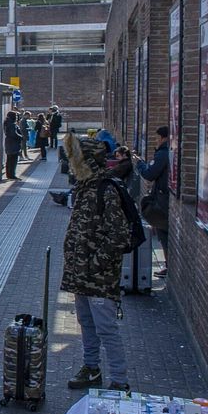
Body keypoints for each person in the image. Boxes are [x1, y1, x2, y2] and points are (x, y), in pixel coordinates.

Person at [62, 133, 132, 392]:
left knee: (106, 329)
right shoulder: (85, 187)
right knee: (87, 324)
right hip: (81, 274)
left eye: (75, 159)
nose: (71, 164)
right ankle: (91, 368)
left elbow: (119, 235)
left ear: (88, 161)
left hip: (98, 277)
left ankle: (120, 380)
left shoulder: (105, 188)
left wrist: (95, 264)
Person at [135, 126, 171, 277]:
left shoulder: (163, 154)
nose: (156, 141)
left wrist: (140, 164)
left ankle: (169, 265)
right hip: (164, 196)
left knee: (163, 232)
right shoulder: (166, 152)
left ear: (164, 138)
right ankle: (168, 265)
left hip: (162, 199)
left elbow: (150, 174)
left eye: (157, 138)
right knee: (163, 232)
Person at [3, 111, 23, 180]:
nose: (17, 118)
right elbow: (14, 134)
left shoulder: (7, 123)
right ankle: (12, 175)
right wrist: (21, 137)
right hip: (13, 144)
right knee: (13, 161)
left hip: (9, 143)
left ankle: (9, 174)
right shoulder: (12, 124)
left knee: (9, 160)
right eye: (16, 116)